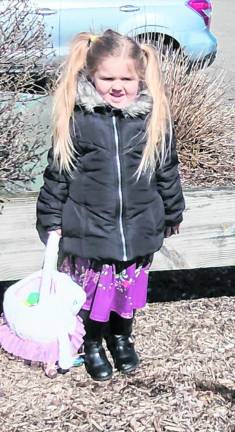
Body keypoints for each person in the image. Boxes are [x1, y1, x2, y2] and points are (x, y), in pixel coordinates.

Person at [36, 29, 185, 381]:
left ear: (140, 77)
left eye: (126, 79)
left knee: (125, 292)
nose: (117, 86)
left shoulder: (152, 120)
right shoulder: (78, 120)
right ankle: (91, 342)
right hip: (89, 228)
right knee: (92, 295)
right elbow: (58, 173)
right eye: (107, 78)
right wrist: (50, 219)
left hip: (138, 226)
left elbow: (167, 169)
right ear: (91, 76)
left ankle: (121, 337)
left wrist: (173, 210)